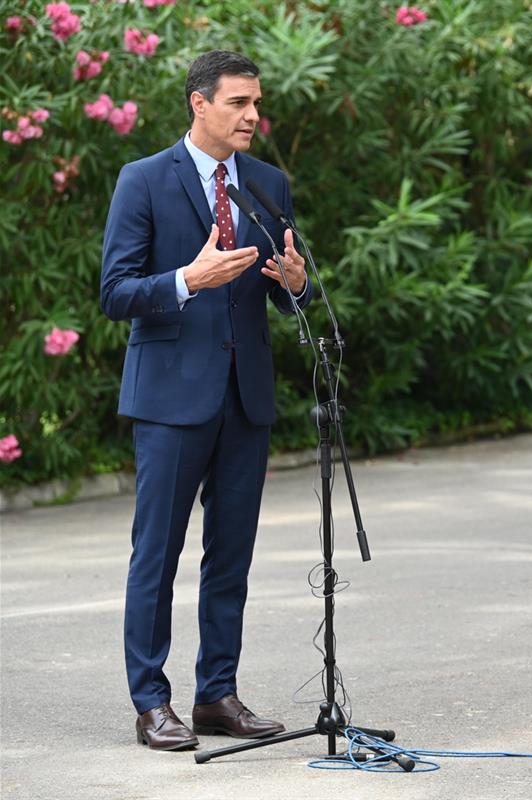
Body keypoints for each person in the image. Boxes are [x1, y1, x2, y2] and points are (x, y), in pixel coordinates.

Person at [100, 50, 312, 751]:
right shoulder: (143, 181)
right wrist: (186, 280)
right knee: (155, 555)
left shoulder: (268, 183)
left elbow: (288, 300)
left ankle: (217, 694)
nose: (254, 115)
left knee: (231, 556)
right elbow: (116, 292)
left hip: (244, 398)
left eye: (256, 103)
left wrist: (296, 284)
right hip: (169, 401)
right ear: (200, 103)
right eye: (239, 103)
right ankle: (152, 703)